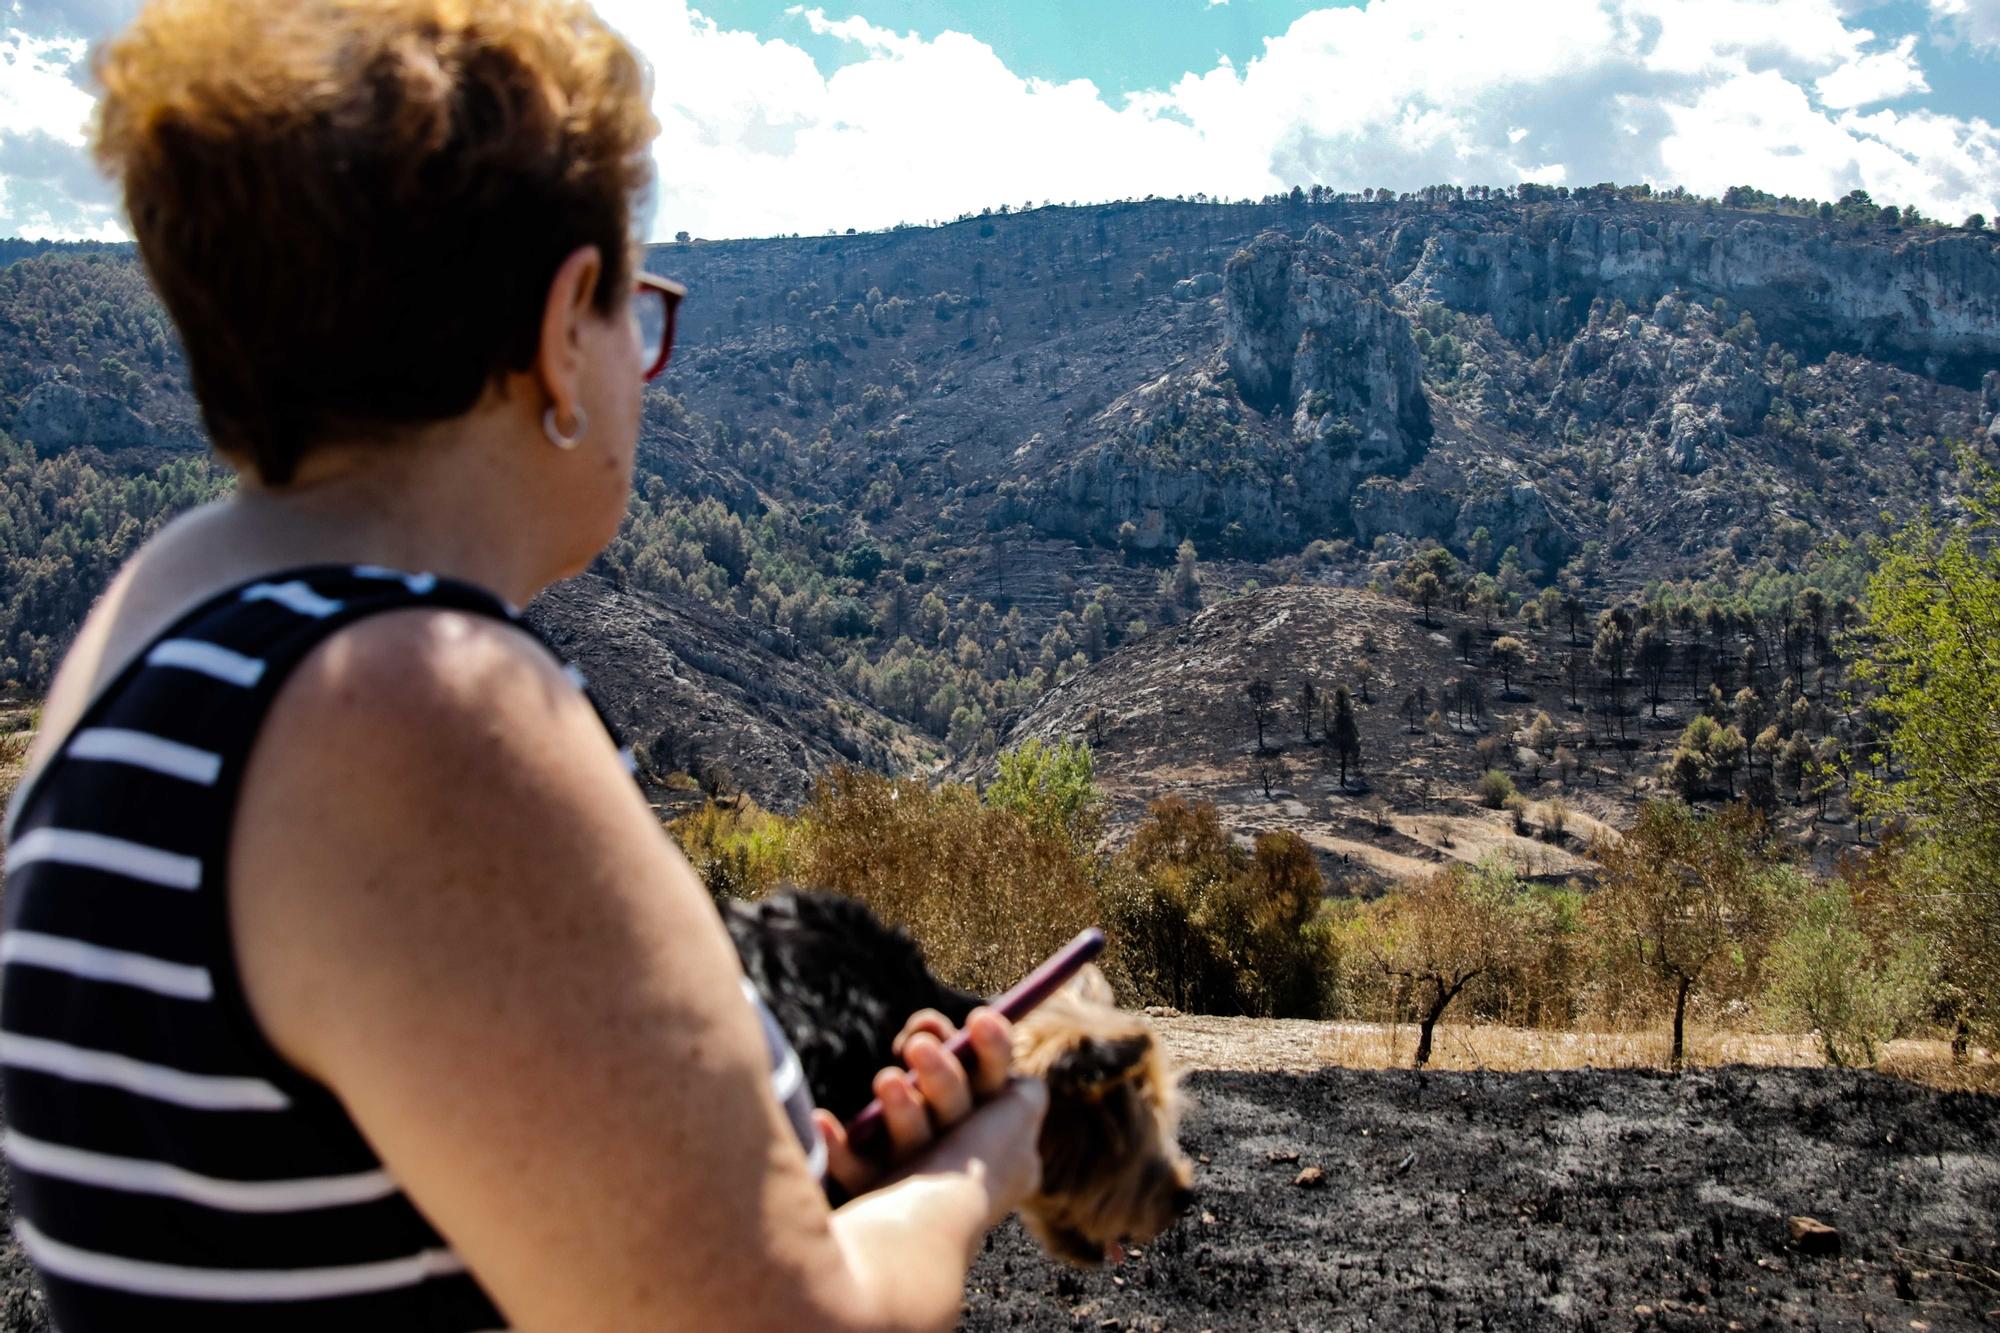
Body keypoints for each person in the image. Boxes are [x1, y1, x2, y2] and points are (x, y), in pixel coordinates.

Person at [0, 1, 1046, 1329]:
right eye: (636, 312)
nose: (641, 370)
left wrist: (755, 1194)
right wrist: (970, 1169)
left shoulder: (142, 628)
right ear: (561, 329)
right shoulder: (420, 711)